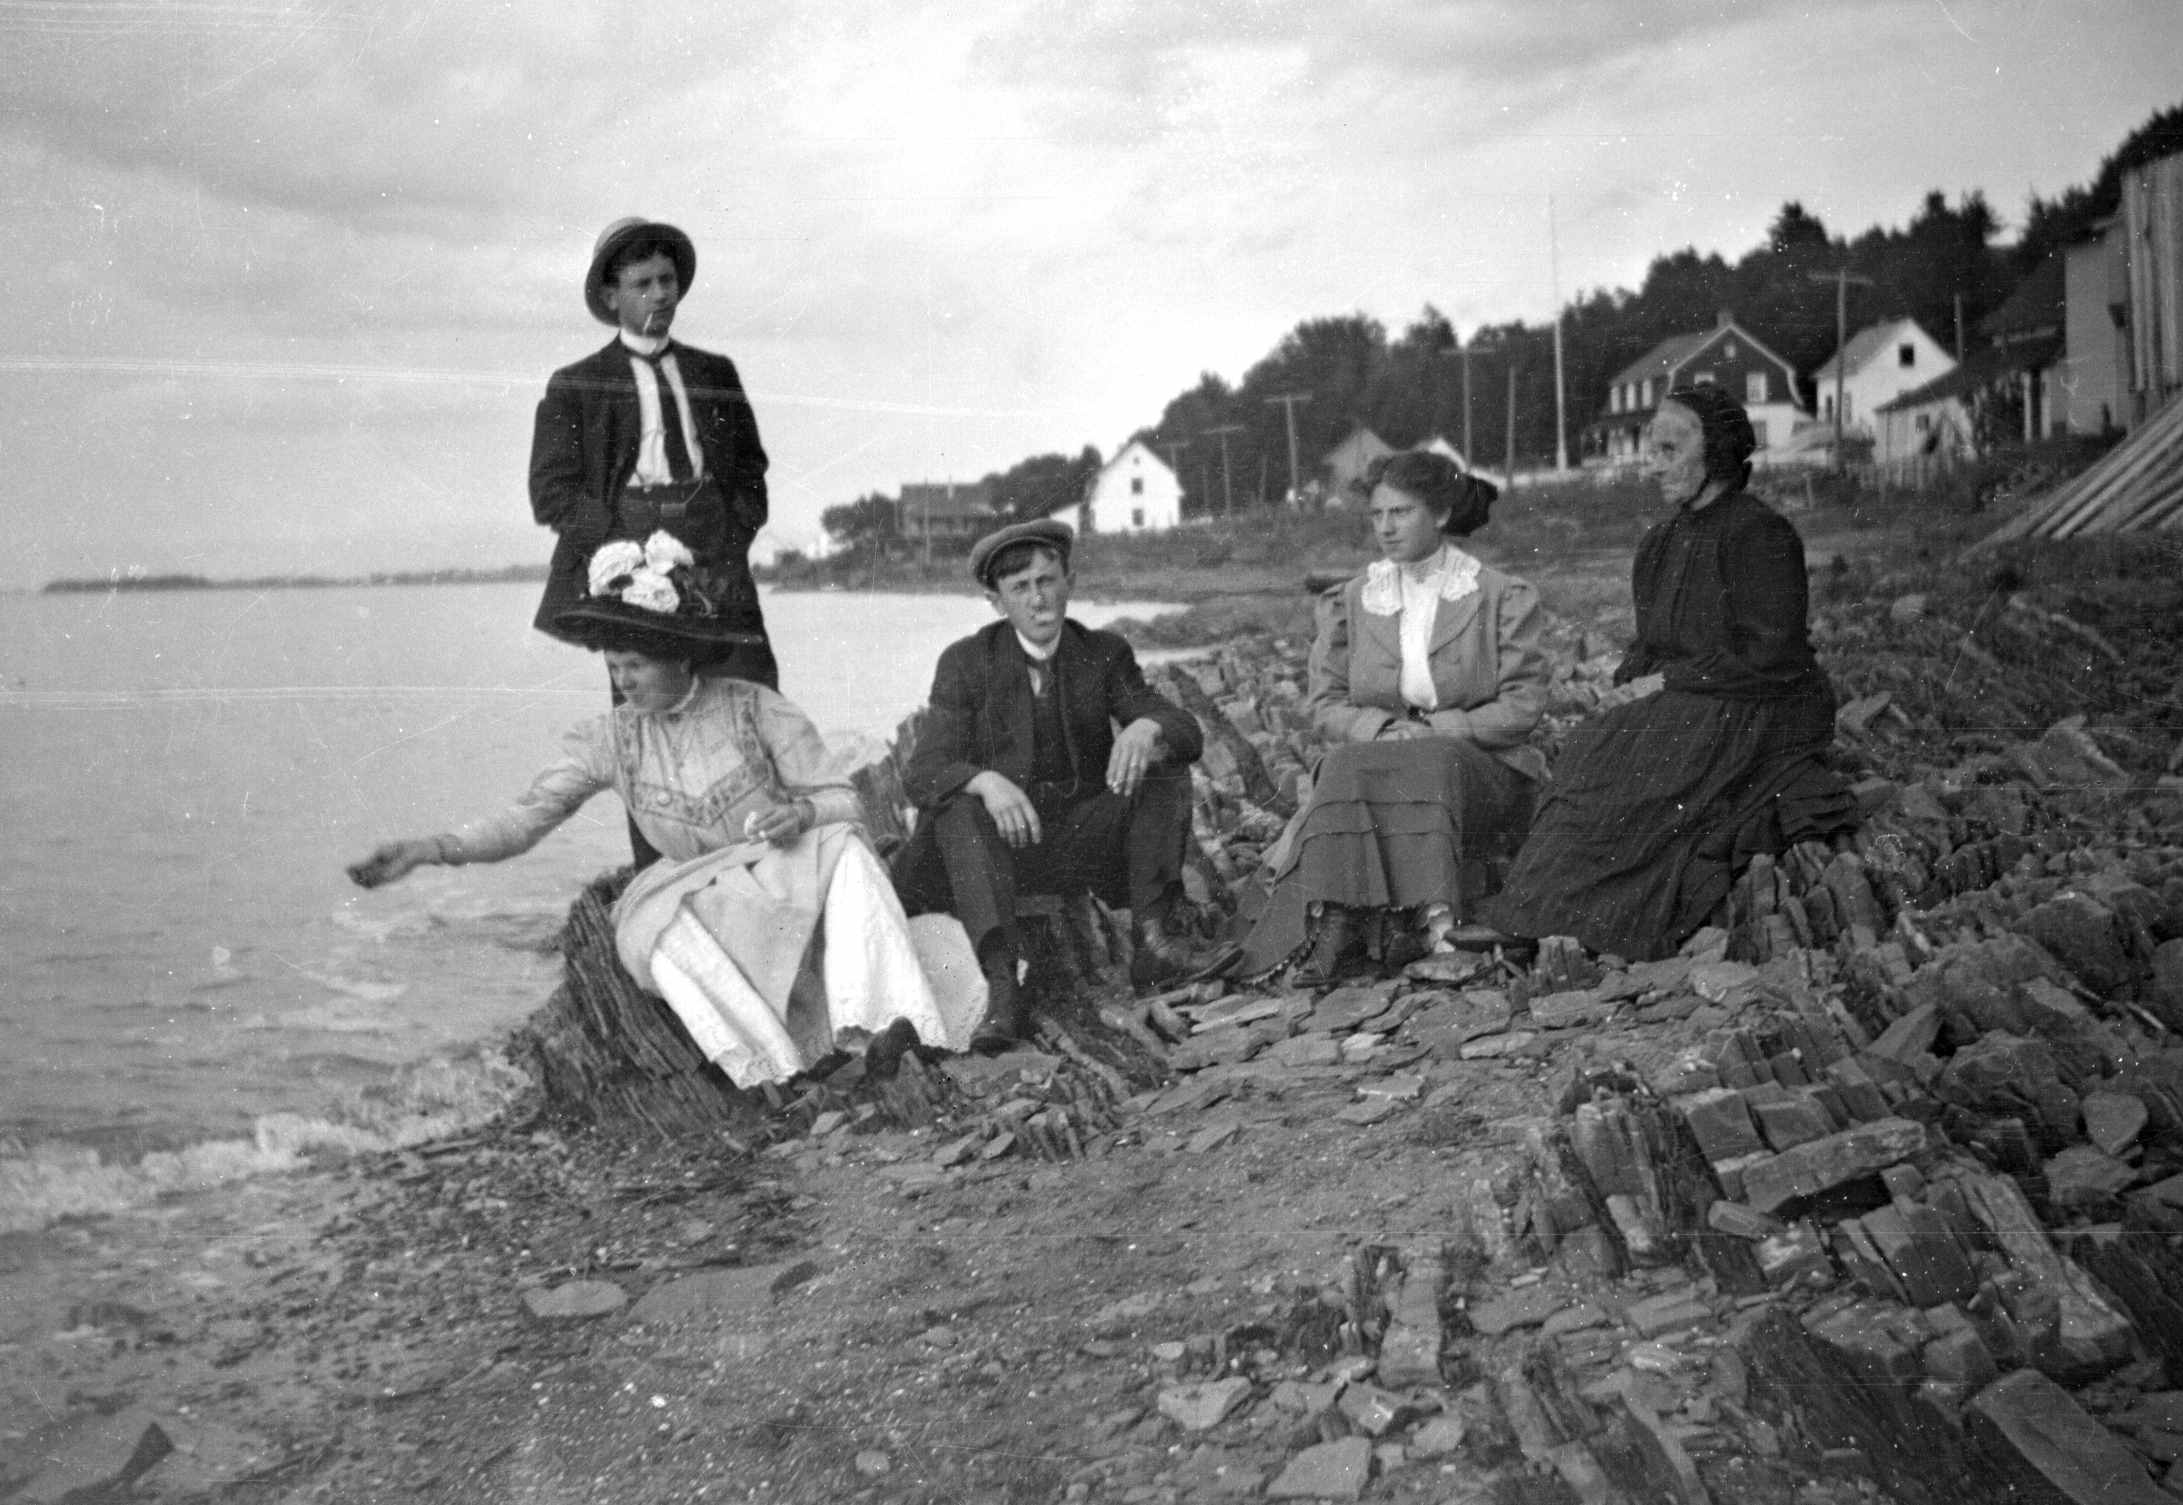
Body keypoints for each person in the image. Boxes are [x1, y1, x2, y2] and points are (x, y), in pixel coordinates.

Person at [348, 542, 975, 1087]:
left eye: (636, 665)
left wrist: (800, 814)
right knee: (648, 924)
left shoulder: (758, 709)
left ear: (679, 655)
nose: (622, 681)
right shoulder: (611, 739)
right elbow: (526, 820)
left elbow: (846, 800)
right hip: (706, 899)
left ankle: (879, 1031)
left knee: (847, 847)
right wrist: (430, 849)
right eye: (614, 667)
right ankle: (774, 1069)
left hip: (789, 876)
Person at [1472, 386, 1853, 961]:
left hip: (1766, 704)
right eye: (1653, 452)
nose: (1654, 466)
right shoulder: (1660, 544)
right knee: (1595, 742)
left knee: (1649, 757)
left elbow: (1774, 655)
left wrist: (1666, 685)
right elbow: (1650, 645)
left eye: (1669, 451)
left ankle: (1589, 922)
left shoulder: (1759, 533)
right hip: (1697, 698)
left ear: (1718, 452)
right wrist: (1623, 686)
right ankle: (1538, 910)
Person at [1233, 452, 1550, 985]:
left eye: (1400, 513)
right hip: (1391, 754)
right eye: (1377, 515)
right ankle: (1333, 918)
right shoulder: (1356, 599)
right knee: (1343, 763)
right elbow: (1324, 700)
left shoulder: (1500, 595)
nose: (1385, 527)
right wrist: (1379, 728)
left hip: (1483, 767)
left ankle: (1437, 923)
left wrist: (1449, 727)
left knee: (1426, 756)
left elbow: (1524, 703)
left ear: (1442, 515)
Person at [899, 519, 1218, 1047]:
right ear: (996, 601)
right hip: (992, 855)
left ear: (1069, 580)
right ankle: (1002, 988)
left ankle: (1154, 942)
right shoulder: (966, 662)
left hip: (1076, 842)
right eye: (1020, 588)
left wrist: (1146, 724)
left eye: (1047, 581)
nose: (1038, 600)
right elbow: (922, 771)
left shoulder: (1103, 653)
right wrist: (984, 782)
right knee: (958, 805)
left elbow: (1187, 732)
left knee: (1164, 767)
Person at [530, 218, 779, 868]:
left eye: (667, 280)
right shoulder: (576, 385)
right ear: (613, 296)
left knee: (752, 705)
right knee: (649, 731)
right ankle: (661, 880)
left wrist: (730, 536)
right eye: (642, 283)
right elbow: (550, 493)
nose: (660, 294)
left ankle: (769, 871)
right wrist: (626, 557)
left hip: (715, 562)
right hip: (632, 574)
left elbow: (751, 471)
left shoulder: (713, 372)